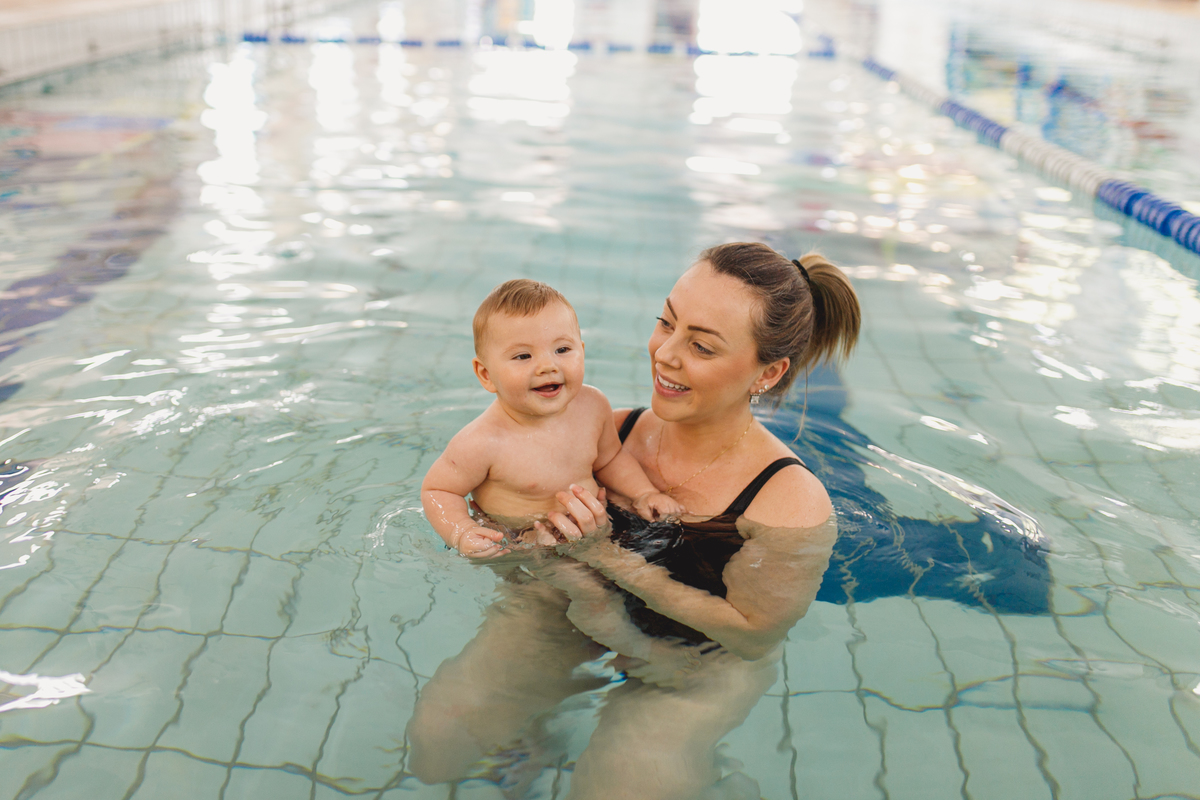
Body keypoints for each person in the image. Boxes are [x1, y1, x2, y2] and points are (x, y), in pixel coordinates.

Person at [407, 243, 860, 798]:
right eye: (665, 323)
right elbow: (489, 514)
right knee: (438, 747)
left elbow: (752, 635)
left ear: (768, 372)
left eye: (700, 345)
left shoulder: (787, 499)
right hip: (569, 613)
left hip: (697, 664)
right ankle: (545, 736)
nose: (665, 354)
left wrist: (603, 555)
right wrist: (511, 538)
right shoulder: (602, 431)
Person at [421, 279, 683, 557]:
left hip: (592, 534)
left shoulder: (592, 406)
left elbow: (610, 459)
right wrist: (461, 531)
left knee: (602, 599)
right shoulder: (483, 441)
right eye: (523, 356)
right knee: (539, 600)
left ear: (582, 350)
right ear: (486, 375)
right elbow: (438, 490)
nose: (548, 366)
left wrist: (643, 493)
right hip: (525, 550)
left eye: (562, 350)